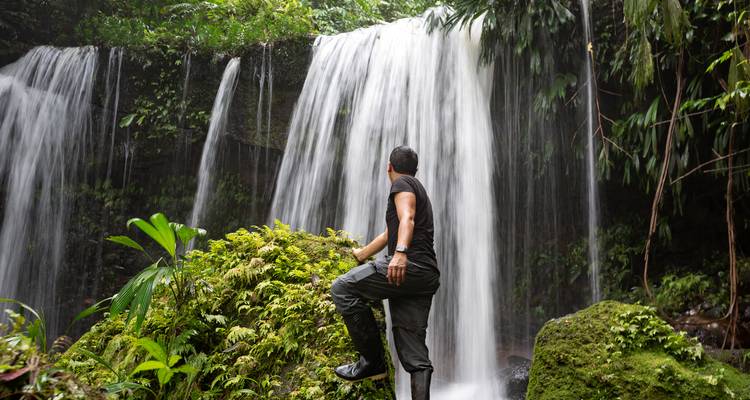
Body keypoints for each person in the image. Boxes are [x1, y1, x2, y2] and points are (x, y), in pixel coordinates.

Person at [330, 146, 440, 400]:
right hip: (425, 276)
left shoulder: (401, 184)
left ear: (389, 167)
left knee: (343, 288)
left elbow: (407, 219)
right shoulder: (416, 188)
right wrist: (362, 254)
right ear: (416, 170)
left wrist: (400, 253)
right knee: (415, 356)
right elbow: (393, 230)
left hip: (408, 266)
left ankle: (371, 362)